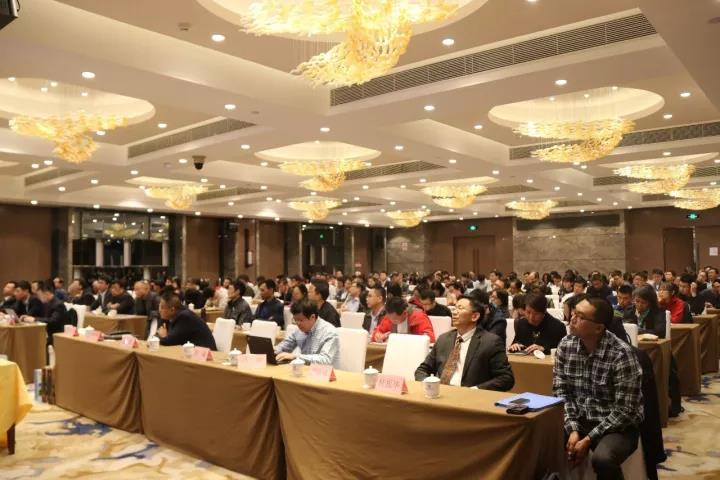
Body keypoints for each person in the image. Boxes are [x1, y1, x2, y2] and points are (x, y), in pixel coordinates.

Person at [553, 297, 643, 480]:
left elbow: (625, 411)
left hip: (616, 425)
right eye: (573, 313)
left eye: (580, 316)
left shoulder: (621, 354)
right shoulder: (566, 345)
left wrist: (588, 439)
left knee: (603, 459)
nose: (572, 319)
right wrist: (573, 429)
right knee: (539, 439)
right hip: (579, 417)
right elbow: (561, 392)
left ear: (598, 328)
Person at [415, 296, 514, 391]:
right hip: (441, 393)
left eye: (460, 308)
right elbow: (422, 369)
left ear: (475, 316)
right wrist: (428, 384)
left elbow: (506, 378)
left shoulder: (491, 342)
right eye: (454, 308)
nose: (454, 312)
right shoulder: (443, 339)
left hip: (470, 396)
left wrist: (475, 390)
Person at [274, 299, 339, 365]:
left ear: (312, 317)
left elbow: (325, 360)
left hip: (324, 370)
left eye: (300, 320)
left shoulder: (329, 332)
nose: (297, 324)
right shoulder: (299, 330)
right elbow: (285, 346)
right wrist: (274, 351)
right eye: (295, 320)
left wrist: (296, 356)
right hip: (304, 369)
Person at [20, 281, 70, 346]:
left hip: (56, 335)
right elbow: (44, 318)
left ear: (46, 293)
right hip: (47, 333)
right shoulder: (47, 303)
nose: (38, 297)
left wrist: (34, 319)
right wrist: (31, 318)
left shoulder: (58, 304)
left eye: (39, 295)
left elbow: (53, 321)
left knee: (33, 342)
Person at [371, 296, 435, 343]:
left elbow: (430, 338)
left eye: (395, 319)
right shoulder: (389, 317)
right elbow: (377, 331)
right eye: (390, 318)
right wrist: (378, 336)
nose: (392, 321)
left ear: (405, 313)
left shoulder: (419, 317)